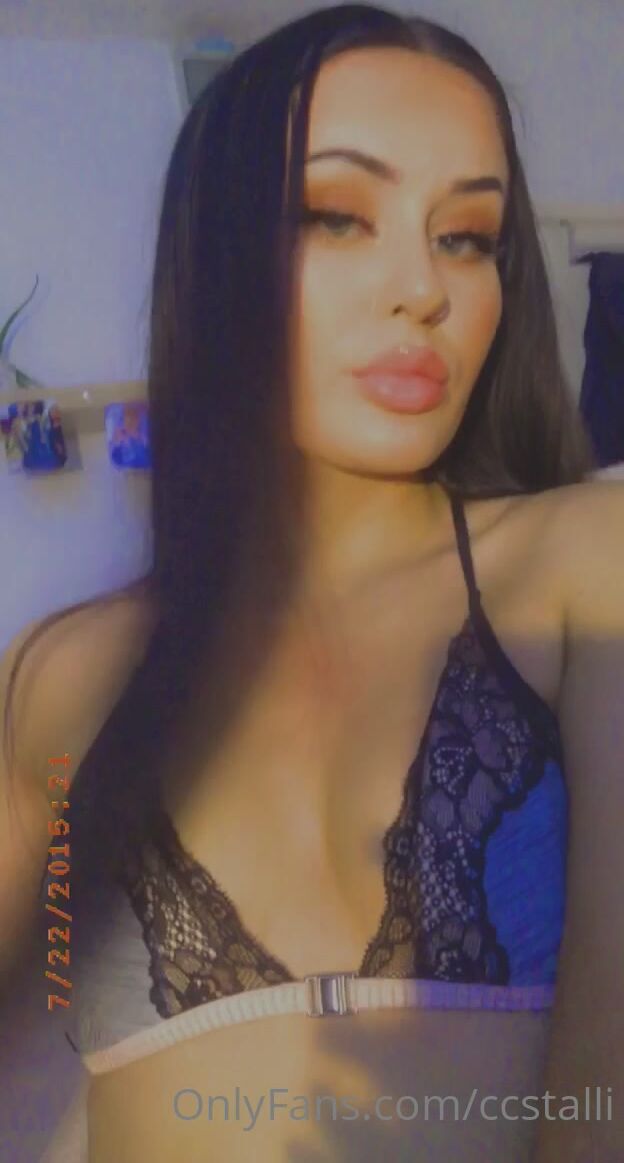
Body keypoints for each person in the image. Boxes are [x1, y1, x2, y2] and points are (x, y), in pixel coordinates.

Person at [1, 5, 623, 1161]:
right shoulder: (66, 675)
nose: (422, 288)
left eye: (468, 236)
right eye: (338, 216)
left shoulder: (589, 565)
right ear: (215, 255)